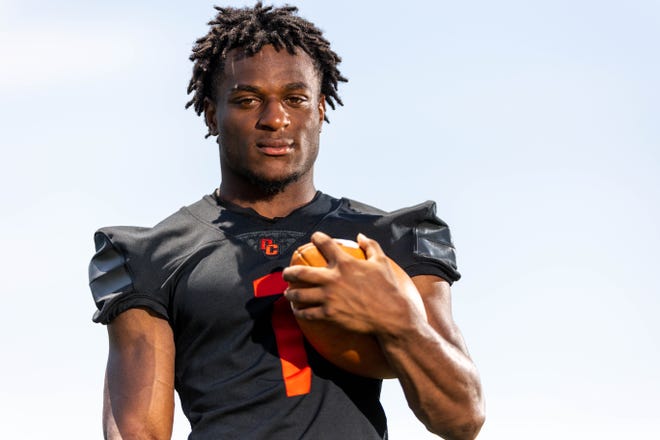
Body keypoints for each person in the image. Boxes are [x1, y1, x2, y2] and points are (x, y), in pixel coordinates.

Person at [88, 3, 484, 439]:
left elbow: (461, 419)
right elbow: (137, 433)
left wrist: (401, 322)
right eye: (247, 99)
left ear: (321, 109)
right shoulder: (150, 257)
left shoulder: (389, 238)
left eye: (295, 99)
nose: (275, 119)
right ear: (210, 113)